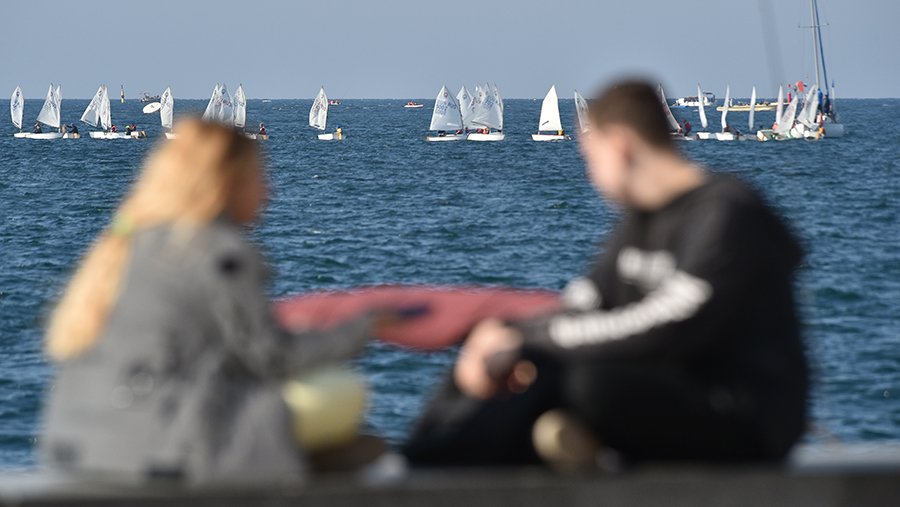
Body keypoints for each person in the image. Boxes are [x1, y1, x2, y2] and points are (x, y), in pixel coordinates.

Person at [403, 80, 808, 468]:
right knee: (497, 357)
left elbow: (670, 323)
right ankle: (427, 456)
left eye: (590, 157)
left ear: (620, 146)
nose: (590, 173)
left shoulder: (726, 212)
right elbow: (585, 302)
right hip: (667, 390)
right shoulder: (638, 223)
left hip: (745, 418)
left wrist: (531, 341)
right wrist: (508, 338)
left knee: (584, 380)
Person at [40, 120, 382, 484]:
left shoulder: (123, 245)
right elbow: (273, 358)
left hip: (76, 444)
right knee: (345, 394)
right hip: (164, 449)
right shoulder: (220, 254)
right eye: (259, 176)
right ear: (226, 182)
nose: (269, 191)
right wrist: (367, 325)